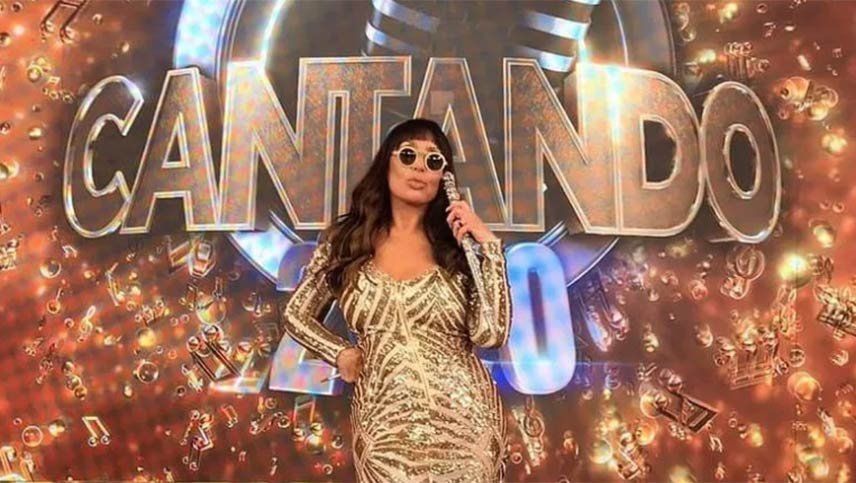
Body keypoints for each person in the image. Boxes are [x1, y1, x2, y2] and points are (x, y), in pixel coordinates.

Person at [281, 118, 512, 482]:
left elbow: (490, 334)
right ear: (385, 163)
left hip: (465, 429)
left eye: (433, 161)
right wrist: (340, 353)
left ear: (443, 178)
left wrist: (489, 249)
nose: (420, 167)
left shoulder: (457, 249)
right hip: (384, 429)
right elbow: (296, 314)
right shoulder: (347, 242)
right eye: (408, 155)